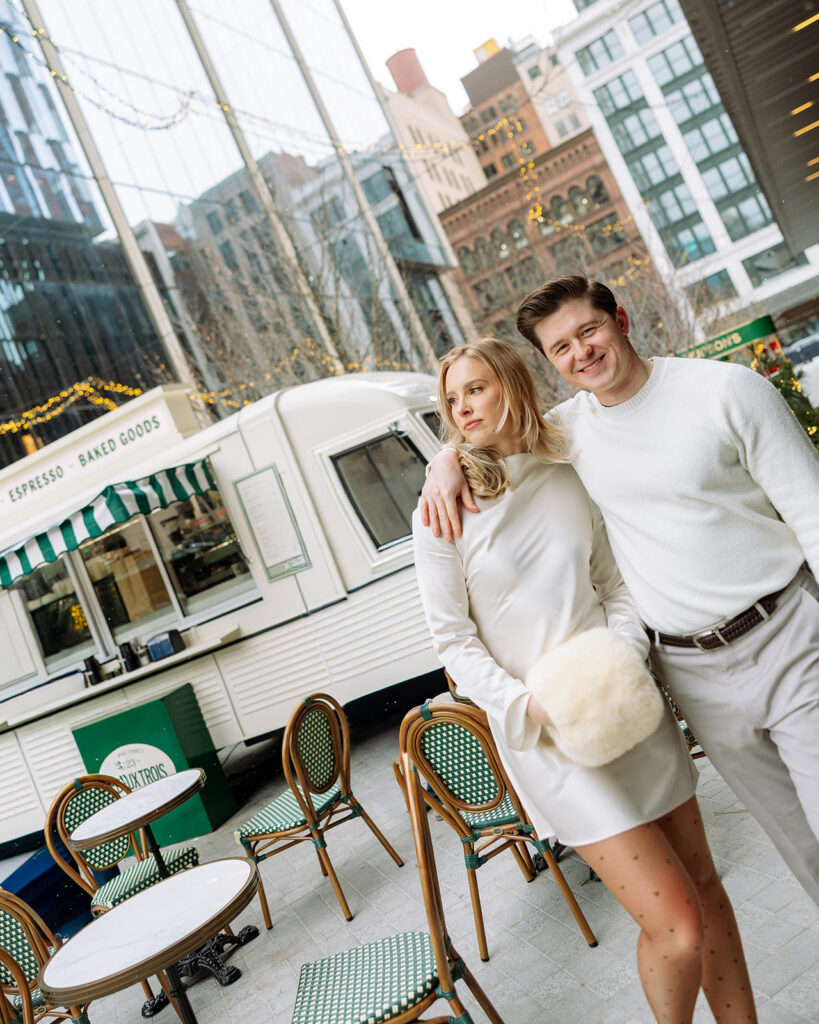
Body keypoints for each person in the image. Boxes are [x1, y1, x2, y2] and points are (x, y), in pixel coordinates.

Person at [420, 275, 819, 910]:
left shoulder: (726, 390)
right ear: (549, 363)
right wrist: (444, 463)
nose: (580, 352)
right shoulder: (567, 434)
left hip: (790, 637)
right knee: (801, 848)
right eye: (561, 348)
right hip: (693, 673)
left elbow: (812, 513)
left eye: (589, 330)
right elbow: (490, 428)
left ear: (620, 318)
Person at [414, 338, 756, 1024]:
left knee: (707, 891)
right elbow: (452, 641)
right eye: (452, 399)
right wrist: (530, 705)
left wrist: (622, 658)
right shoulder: (443, 511)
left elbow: (613, 583)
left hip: (627, 708)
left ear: (510, 383)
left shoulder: (569, 465)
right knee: (677, 926)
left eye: (475, 389)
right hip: (548, 740)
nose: (462, 407)